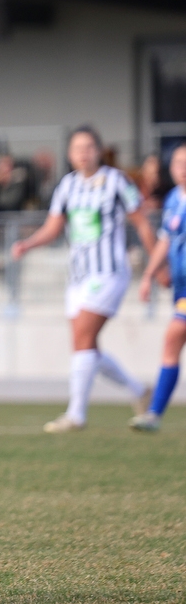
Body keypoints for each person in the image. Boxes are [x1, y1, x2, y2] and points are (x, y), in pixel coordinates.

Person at [12, 125, 155, 433]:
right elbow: (53, 227)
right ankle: (139, 391)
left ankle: (76, 414)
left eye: (89, 147)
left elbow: (141, 222)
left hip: (109, 272)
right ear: (70, 154)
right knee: (85, 346)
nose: (83, 153)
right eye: (77, 148)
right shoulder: (67, 186)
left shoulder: (117, 181)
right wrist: (28, 244)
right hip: (78, 275)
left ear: (99, 150)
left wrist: (158, 265)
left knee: (83, 341)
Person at [131, 143, 186, 432]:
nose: (183, 168)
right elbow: (165, 240)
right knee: (172, 342)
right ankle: (153, 414)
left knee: (173, 336)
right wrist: (149, 274)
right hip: (181, 289)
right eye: (178, 163)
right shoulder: (175, 199)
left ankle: (154, 413)